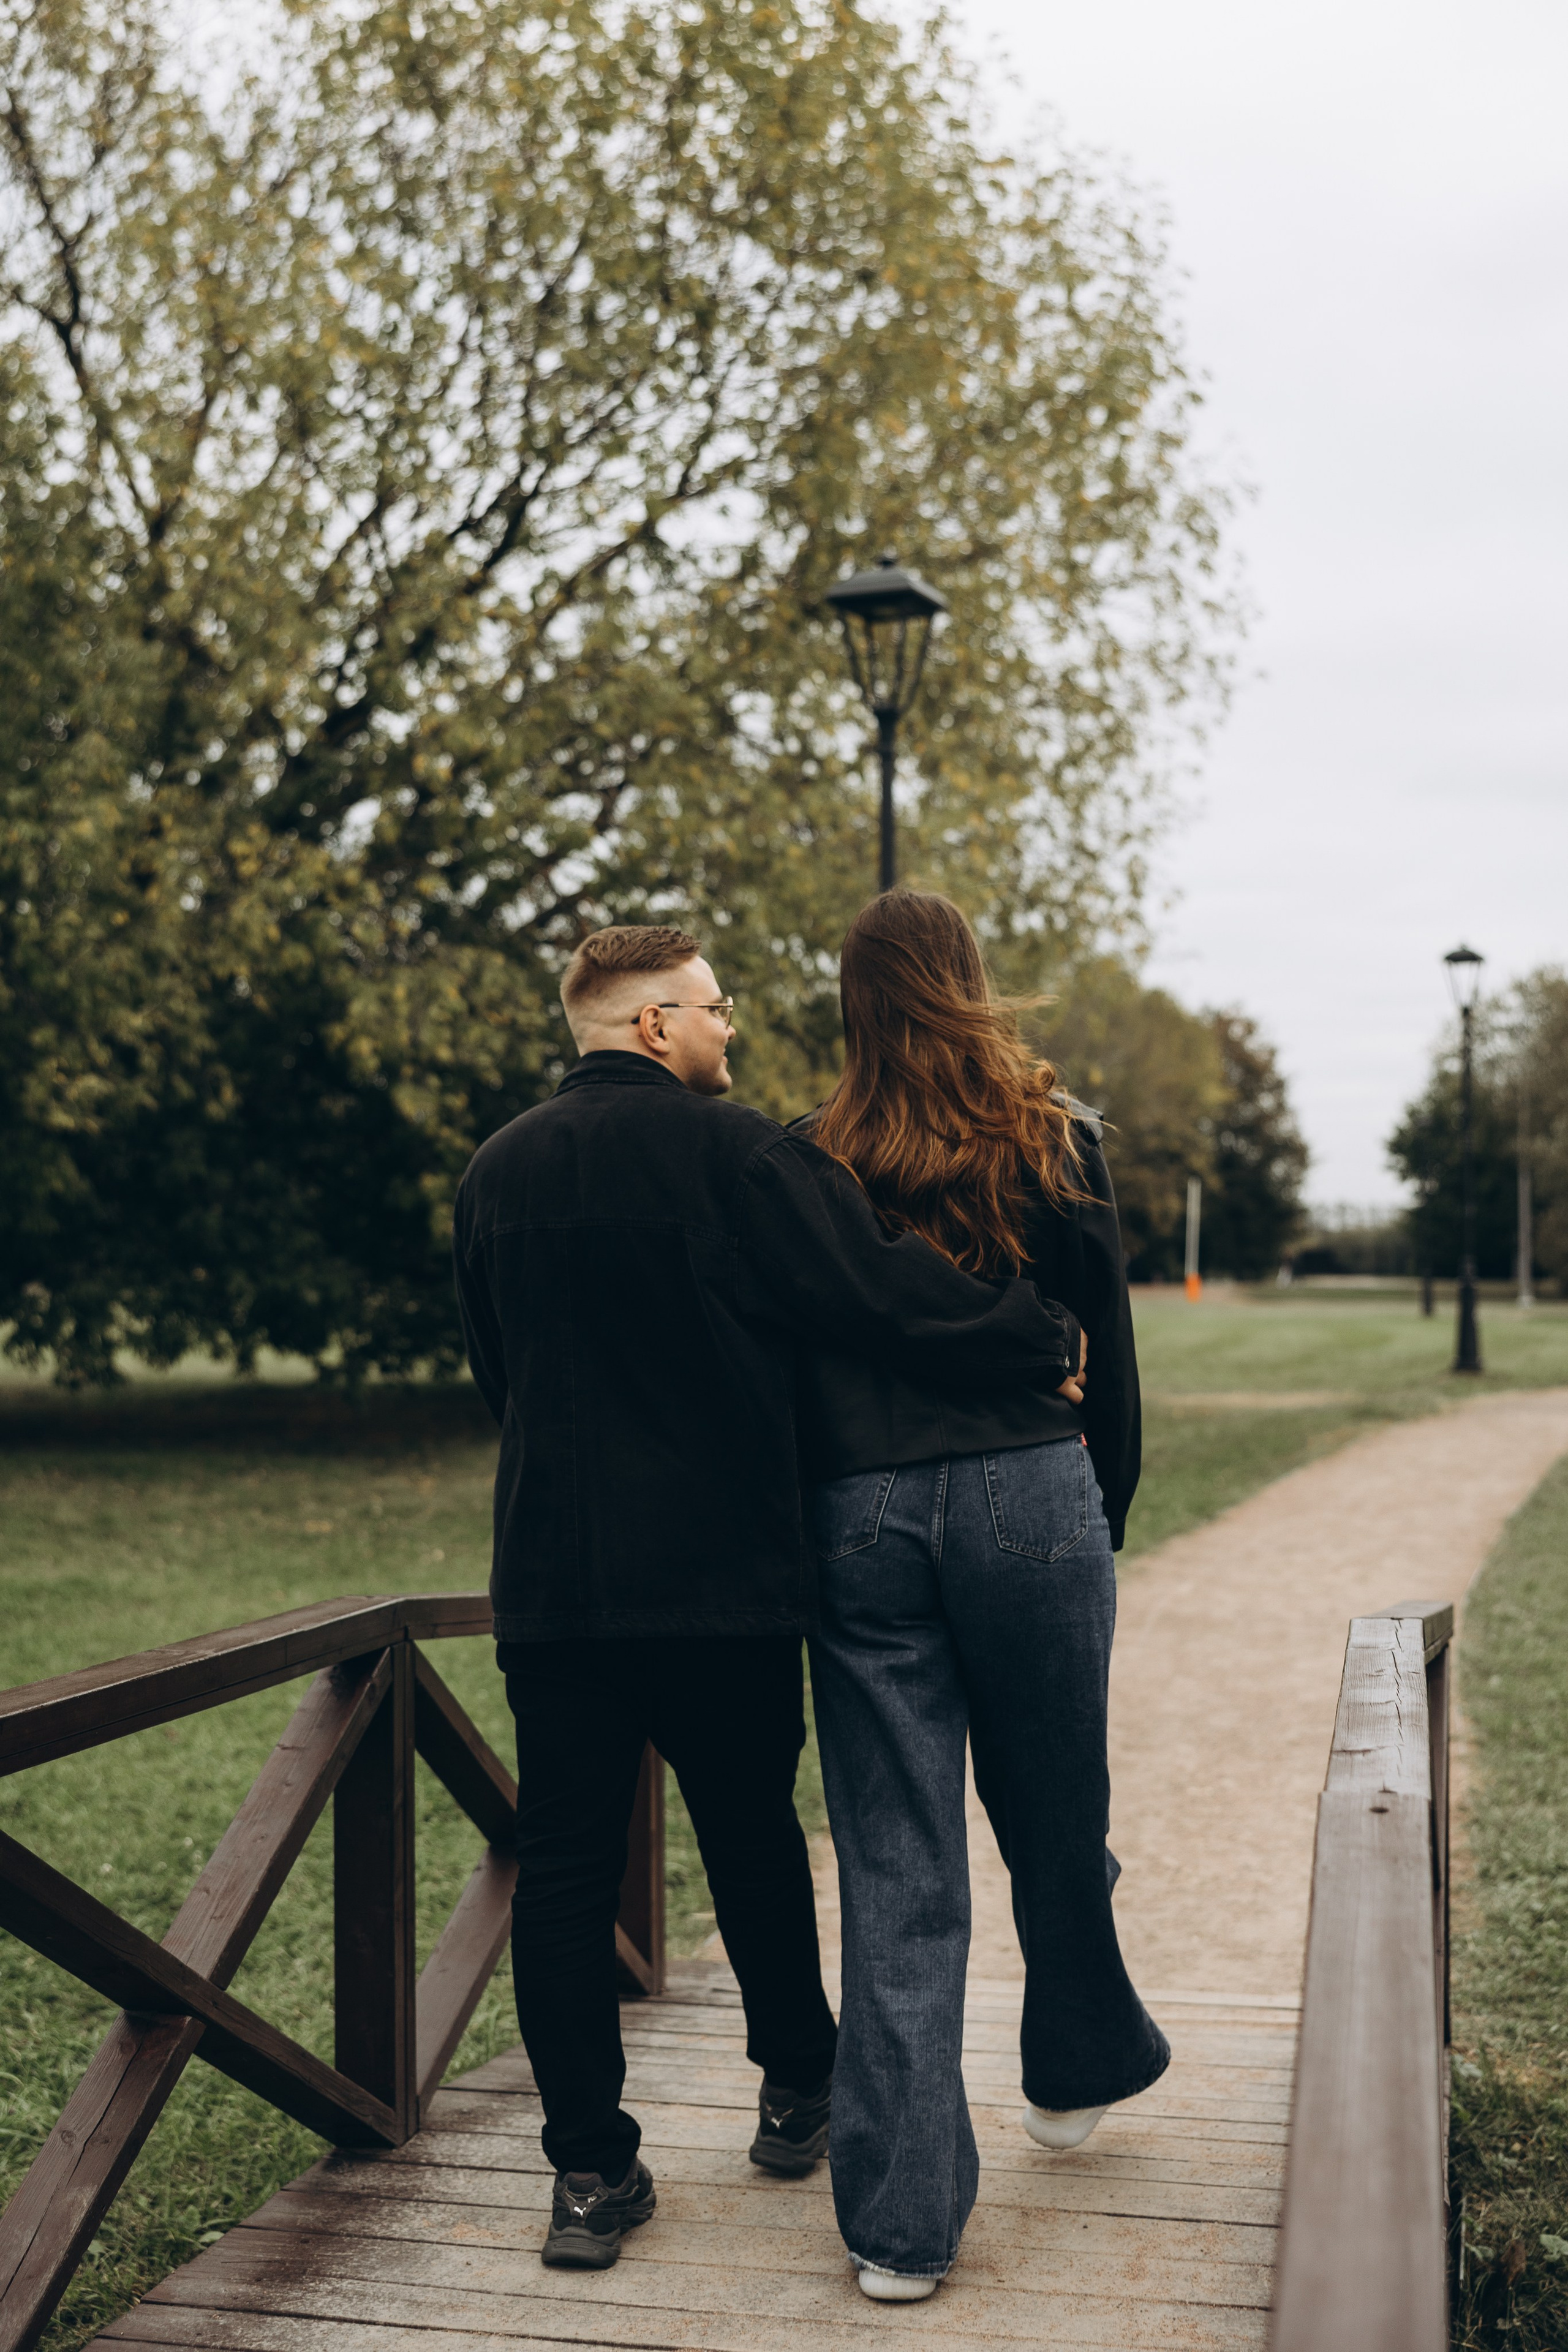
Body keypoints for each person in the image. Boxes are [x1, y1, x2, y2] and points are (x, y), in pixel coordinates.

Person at [450, 922, 1087, 2272]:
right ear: (651, 1025)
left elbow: (495, 1373)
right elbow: (876, 1293)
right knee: (748, 1835)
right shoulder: (740, 1156)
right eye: (714, 1011)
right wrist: (1033, 1335)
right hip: (721, 1576)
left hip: (553, 1584)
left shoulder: (492, 1172)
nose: (728, 1031)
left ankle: (586, 2172)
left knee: (560, 1872)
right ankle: (798, 2083)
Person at [797, 888, 1170, 2302]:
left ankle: (898, 2232)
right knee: (1056, 1809)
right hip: (1029, 1495)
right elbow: (1108, 1351)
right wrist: (1101, 1513)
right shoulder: (1053, 1136)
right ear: (967, 978)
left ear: (852, 1002)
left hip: (860, 1513)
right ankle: (1072, 2074)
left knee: (897, 1865)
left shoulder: (812, 1155)